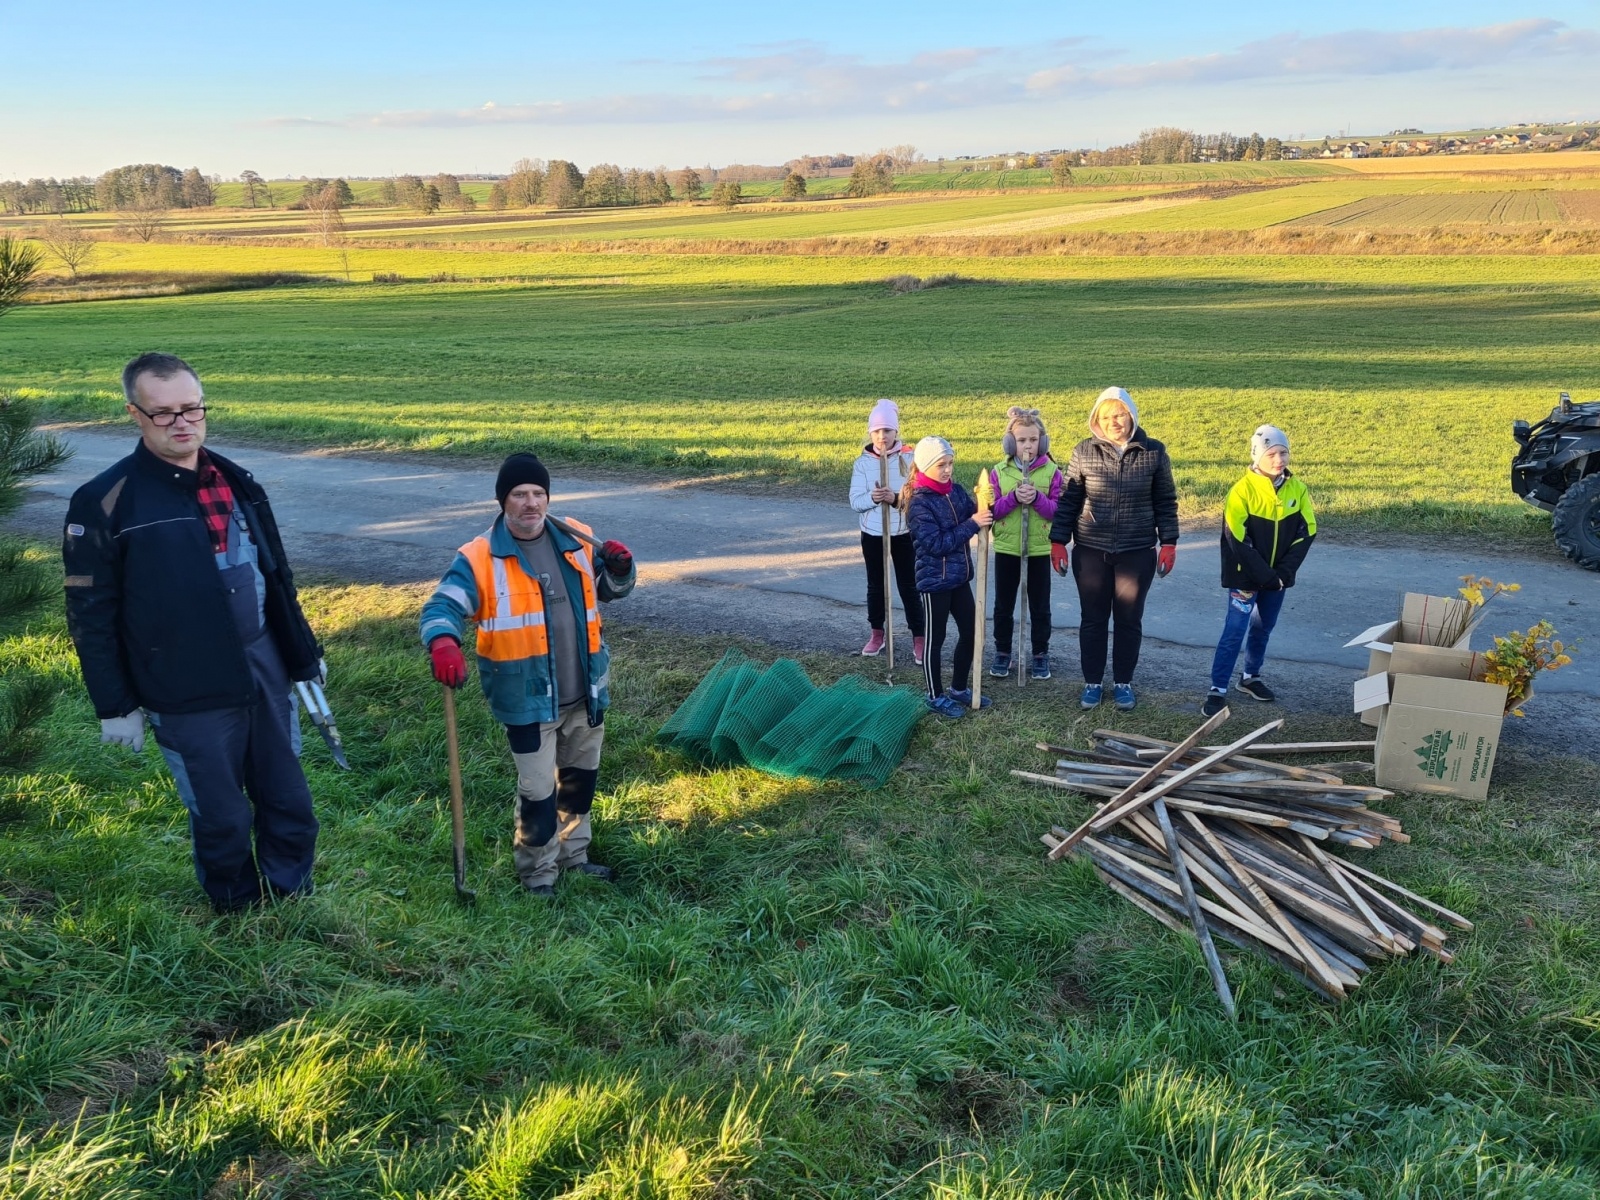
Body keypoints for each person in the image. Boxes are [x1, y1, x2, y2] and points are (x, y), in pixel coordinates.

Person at [63, 352, 324, 912]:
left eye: (192, 408)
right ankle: (234, 905)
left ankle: (290, 896)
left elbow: (276, 575)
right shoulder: (104, 500)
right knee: (222, 814)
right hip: (184, 683)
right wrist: (115, 705)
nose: (181, 423)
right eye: (163, 413)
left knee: (289, 798)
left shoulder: (237, 480)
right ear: (135, 414)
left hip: (264, 666)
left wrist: (302, 654)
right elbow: (90, 614)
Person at [420, 454, 635, 897]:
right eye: (519, 494)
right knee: (538, 793)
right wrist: (442, 641)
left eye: (538, 493)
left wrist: (620, 568)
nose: (531, 503)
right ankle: (538, 874)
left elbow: (610, 591)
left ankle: (574, 856)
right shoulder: (480, 557)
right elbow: (441, 606)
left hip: (585, 691)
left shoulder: (576, 538)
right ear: (503, 501)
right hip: (527, 699)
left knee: (578, 782)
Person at [1048, 386, 1179, 712]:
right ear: (1097, 420)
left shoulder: (1154, 452)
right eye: (1106, 417)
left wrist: (1169, 543)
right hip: (1091, 550)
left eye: (1119, 415)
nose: (1114, 422)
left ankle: (1123, 682)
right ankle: (1092, 682)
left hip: (1137, 551)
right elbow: (1069, 499)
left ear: (1131, 415)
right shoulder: (1083, 451)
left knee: (1129, 619)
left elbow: (1165, 501)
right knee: (1093, 619)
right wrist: (1058, 541)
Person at [1202, 426, 1317, 717]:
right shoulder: (1241, 490)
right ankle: (1217, 688)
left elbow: (1307, 532)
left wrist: (1283, 573)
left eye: (1283, 453)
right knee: (1235, 630)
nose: (1279, 459)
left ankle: (1250, 677)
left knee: (1263, 627)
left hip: (1277, 579)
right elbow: (1237, 539)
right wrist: (1266, 575)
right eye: (1272, 454)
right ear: (1257, 456)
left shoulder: (1298, 489)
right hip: (1247, 577)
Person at [902, 436, 993, 717]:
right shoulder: (919, 503)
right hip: (934, 582)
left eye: (950, 463)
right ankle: (934, 695)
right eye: (941, 464)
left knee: (971, 632)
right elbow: (936, 544)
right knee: (936, 638)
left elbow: (977, 514)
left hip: (959, 578)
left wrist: (989, 502)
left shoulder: (955, 492)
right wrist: (972, 524)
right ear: (925, 465)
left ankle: (958, 688)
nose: (948, 470)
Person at [976, 406, 1063, 680]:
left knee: (1040, 606)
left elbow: (1056, 512)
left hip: (1038, 549)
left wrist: (1037, 498)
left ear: (1042, 442)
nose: (1028, 445)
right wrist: (1014, 498)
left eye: (1033, 440)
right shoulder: (999, 472)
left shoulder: (1052, 472)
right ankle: (1003, 651)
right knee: (1003, 605)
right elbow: (993, 512)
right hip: (1007, 548)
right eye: (1022, 440)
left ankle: (1040, 653)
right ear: (1010, 442)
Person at [848, 398, 924, 664]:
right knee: (876, 585)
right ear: (870, 433)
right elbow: (855, 501)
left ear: (896, 431)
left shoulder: (910, 460)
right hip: (872, 534)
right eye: (877, 431)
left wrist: (894, 499)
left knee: (909, 585)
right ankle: (877, 633)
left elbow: (917, 500)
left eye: (888, 430)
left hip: (902, 533)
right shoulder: (862, 464)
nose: (882, 436)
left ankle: (919, 637)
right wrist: (873, 497)